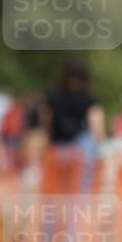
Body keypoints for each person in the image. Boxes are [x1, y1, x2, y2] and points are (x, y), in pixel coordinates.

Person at [43, 58, 105, 191]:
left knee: (58, 186)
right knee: (80, 186)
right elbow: (96, 128)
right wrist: (98, 148)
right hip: (81, 149)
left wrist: (49, 142)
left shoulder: (53, 95)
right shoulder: (88, 98)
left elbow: (47, 122)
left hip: (58, 148)